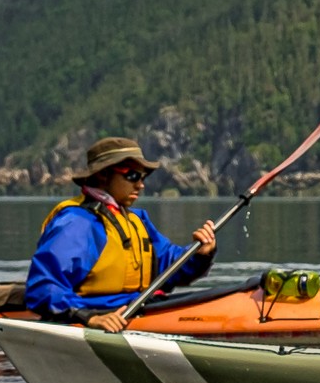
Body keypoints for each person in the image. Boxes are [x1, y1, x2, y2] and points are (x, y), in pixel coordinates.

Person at [24, 137, 217, 330]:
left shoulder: (136, 220)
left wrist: (200, 254)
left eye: (143, 177)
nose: (140, 185)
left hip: (140, 308)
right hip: (96, 314)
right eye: (132, 176)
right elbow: (44, 285)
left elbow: (170, 267)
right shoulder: (78, 223)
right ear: (103, 175)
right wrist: (88, 317)